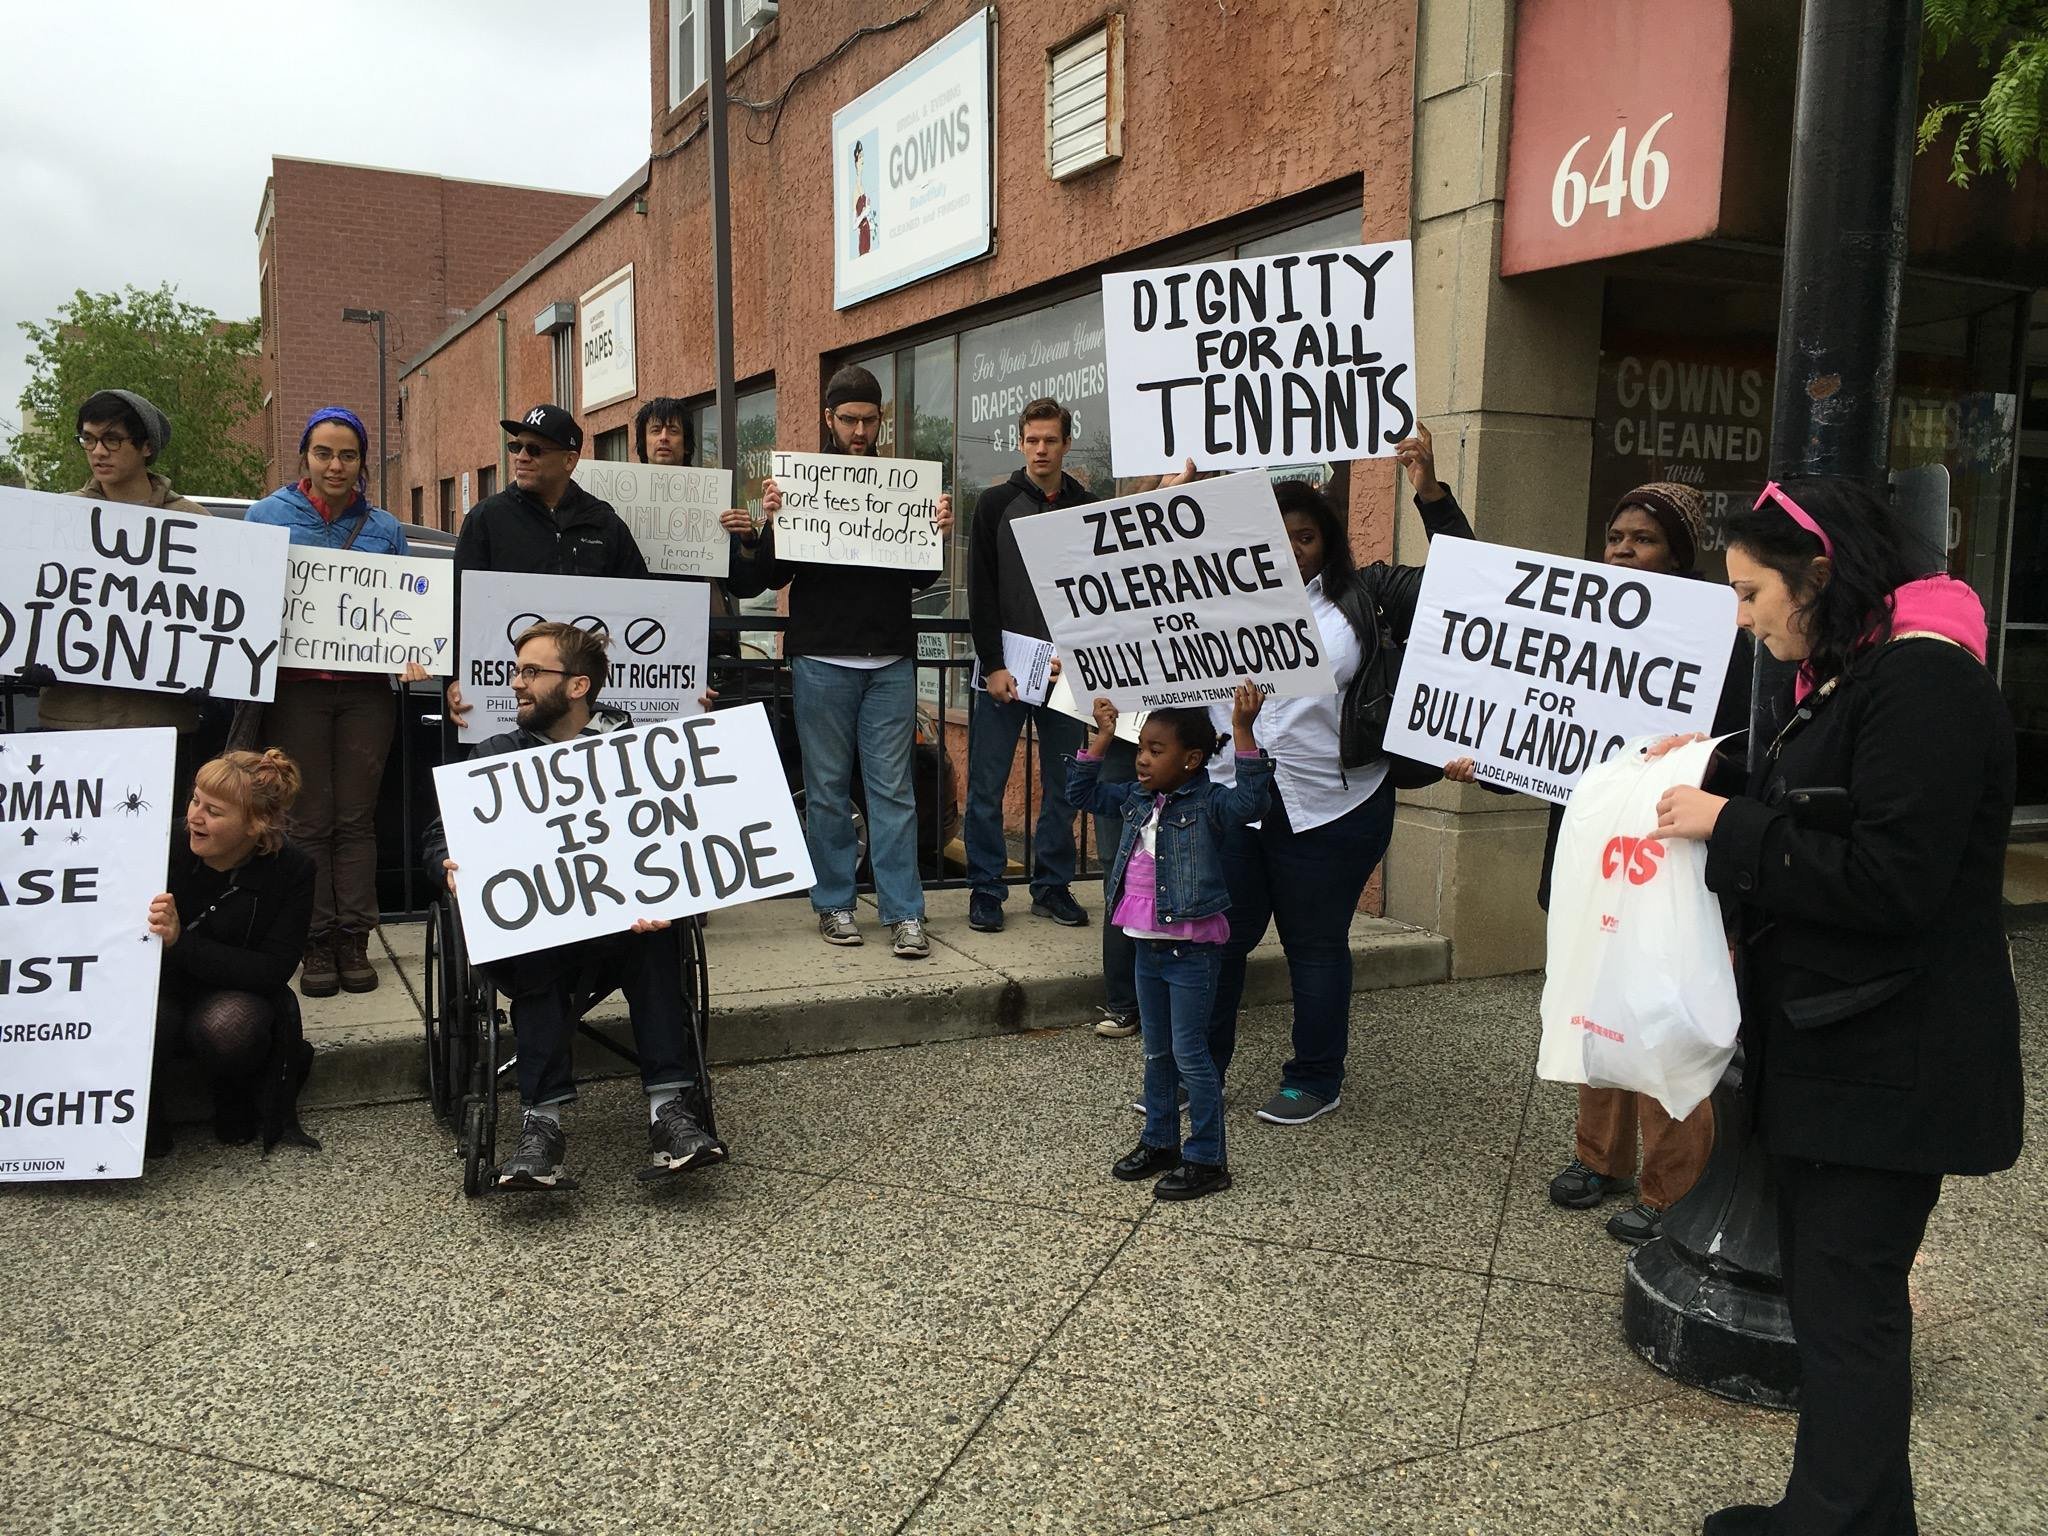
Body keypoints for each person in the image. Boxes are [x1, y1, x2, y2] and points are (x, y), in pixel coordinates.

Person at [1647, 476, 2021, 1536]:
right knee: (1832, 1305)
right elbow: (1822, 809)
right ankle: (1846, 1510)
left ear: (1815, 574)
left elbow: (1890, 879)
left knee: (1846, 1311)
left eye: (1750, 589)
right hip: (1841, 1049)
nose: (1741, 614)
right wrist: (1705, 784)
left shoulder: (1923, 686)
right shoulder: (1858, 676)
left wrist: (1728, 825)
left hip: (1886, 1061)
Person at [1445, 480, 1752, 1243]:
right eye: (1616, 535)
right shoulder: (1580, 626)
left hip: (1670, 870)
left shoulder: (1723, 638)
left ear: (1679, 552)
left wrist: (1694, 760)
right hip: (1590, 866)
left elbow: (1744, 751)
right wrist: (1487, 760)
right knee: (1593, 1009)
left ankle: (1672, 1188)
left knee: (1661, 1020)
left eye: (1643, 538)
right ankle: (1601, 1158)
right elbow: (1549, 739)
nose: (1622, 549)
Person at [1197, 429, 1474, 1128]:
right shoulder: (1214, 603)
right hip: (1238, 798)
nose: (1290, 548)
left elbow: (1465, 578)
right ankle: (1198, 1070)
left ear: (1327, 545)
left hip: (1331, 807)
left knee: (1313, 946)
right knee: (1221, 941)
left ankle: (1316, 1077)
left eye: (1305, 537)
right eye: (1275, 534)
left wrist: (1430, 491)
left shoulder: (1365, 596)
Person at [426, 622, 723, 1190]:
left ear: (579, 685)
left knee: (659, 936)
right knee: (535, 943)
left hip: (624, 930)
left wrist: (673, 895)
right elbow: (438, 836)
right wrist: (448, 865)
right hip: (539, 935)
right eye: (516, 671)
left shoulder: (635, 751)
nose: (517, 683)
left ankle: (670, 1113)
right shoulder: (494, 754)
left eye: (532, 672)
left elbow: (678, 840)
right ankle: (542, 1125)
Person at [726, 365, 952, 958]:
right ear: (829, 418)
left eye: (868, 419)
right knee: (826, 790)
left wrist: (937, 532)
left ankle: (904, 912)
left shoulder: (903, 486)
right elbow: (760, 579)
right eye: (847, 418)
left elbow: (922, 576)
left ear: (881, 419)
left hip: (888, 660)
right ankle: (835, 903)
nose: (858, 429)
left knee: (893, 792)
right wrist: (764, 527)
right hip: (821, 660)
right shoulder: (802, 488)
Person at [1070, 687, 1272, 1201]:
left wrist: (1244, 730)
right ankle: (1160, 1141)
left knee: (1190, 1055)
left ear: (1192, 760)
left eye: (1156, 750)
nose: (1142, 758)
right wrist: (1101, 740)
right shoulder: (1137, 799)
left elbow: (1253, 802)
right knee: (1157, 1052)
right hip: (1147, 949)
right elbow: (1081, 795)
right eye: (1141, 747)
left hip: (1191, 951)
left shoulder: (1208, 803)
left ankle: (1207, 1159)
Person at [246, 407, 420, 998]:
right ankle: (315, 939)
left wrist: (413, 647)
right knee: (306, 820)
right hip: (296, 692)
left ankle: (355, 936)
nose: (336, 465)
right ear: (305, 457)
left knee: (356, 820)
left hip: (366, 693)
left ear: (363, 462)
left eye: (348, 455)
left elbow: (407, 607)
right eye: (324, 453)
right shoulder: (266, 517)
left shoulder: (385, 528)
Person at [30, 391, 212, 791]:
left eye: (112, 439)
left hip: (161, 725)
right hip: (70, 720)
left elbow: (212, 619)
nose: (98, 451)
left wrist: (213, 670)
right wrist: (28, 650)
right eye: (88, 439)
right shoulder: (56, 517)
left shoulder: (195, 524)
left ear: (146, 447)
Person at [147, 749, 320, 1157]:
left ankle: (233, 1094)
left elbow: (273, 970)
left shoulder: (293, 869)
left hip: (235, 987)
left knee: (229, 1025)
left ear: (254, 825)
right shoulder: (159, 841)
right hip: (158, 979)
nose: (194, 817)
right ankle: (143, 1115)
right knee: (149, 1018)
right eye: (195, 800)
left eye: (214, 811)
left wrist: (180, 942)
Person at [962, 397, 1094, 934]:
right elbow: (982, 589)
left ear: (1066, 444)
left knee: (1066, 784)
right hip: (1007, 671)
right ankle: (986, 889)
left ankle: (1052, 886)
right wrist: (993, 664)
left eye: (1051, 440)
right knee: (987, 784)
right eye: (1032, 439)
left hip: (1066, 671)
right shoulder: (994, 503)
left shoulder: (1088, 504)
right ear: (1021, 442)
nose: (1041, 449)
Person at [443, 404, 649, 733]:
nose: (521, 457)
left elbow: (644, 603)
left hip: (581, 710)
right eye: (517, 447)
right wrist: (454, 679)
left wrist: (686, 681)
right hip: (505, 708)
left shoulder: (604, 523)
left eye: (535, 449)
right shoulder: (487, 519)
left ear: (569, 460)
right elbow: (458, 606)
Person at [637, 395, 743, 665]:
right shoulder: (619, 501)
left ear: (686, 445)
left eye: (673, 431)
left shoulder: (711, 501)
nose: (663, 438)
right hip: (640, 635)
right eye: (655, 430)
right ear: (643, 443)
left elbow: (745, 583)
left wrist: (748, 542)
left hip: (703, 643)